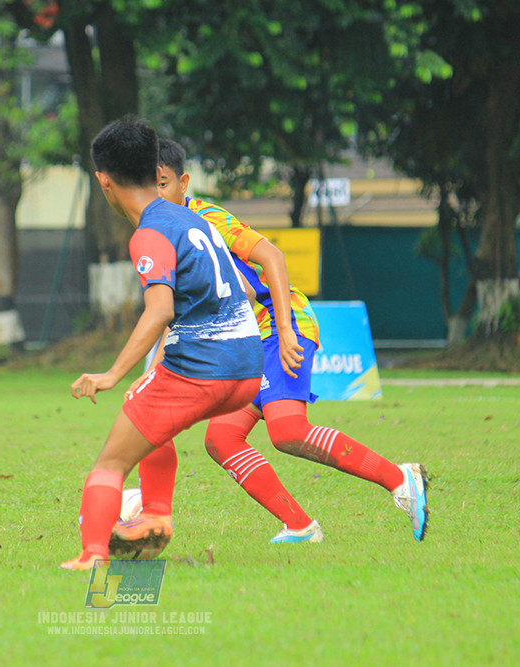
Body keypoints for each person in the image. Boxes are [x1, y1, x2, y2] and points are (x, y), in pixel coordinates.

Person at [110, 138, 428, 555]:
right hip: (242, 341)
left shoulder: (204, 218)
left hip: (278, 326)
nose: (157, 195)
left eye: (164, 183)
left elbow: (273, 258)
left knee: (288, 430)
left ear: (183, 183)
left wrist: (287, 331)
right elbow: (173, 311)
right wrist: (154, 369)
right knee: (222, 439)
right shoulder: (157, 236)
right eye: (149, 187)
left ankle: (400, 479)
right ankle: (299, 525)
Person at [61, 117, 264, 571]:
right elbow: (245, 291)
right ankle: (152, 515)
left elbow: (159, 310)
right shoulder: (194, 219)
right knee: (149, 418)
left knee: (110, 463)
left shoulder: (149, 232)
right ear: (158, 172)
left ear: (103, 181)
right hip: (249, 368)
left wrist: (111, 373)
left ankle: (92, 556)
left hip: (202, 370)